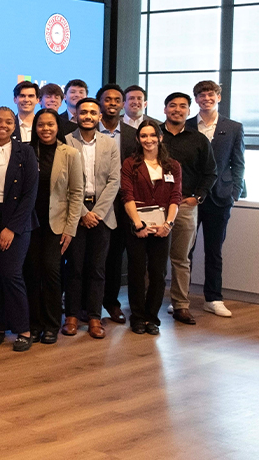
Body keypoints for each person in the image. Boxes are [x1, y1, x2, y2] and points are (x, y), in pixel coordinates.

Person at [24, 108, 84, 344]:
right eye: (41, 125)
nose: (45, 129)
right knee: (31, 272)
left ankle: (51, 324)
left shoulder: (69, 153)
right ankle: (33, 324)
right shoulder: (27, 152)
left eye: (50, 124)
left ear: (58, 127)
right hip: (28, 224)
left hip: (55, 224)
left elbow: (76, 192)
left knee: (51, 272)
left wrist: (70, 228)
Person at [63, 97, 121, 339]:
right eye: (83, 112)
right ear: (75, 116)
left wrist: (96, 213)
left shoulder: (110, 144)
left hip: (102, 215)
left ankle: (95, 318)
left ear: (99, 117)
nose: (87, 116)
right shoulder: (65, 141)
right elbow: (64, 181)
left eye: (92, 112)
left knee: (97, 268)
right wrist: (83, 213)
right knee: (74, 268)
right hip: (75, 213)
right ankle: (72, 316)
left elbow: (114, 181)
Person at [186, 80, 245, 318]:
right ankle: (181, 298)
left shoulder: (233, 127)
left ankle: (213, 298)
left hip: (220, 197)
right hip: (190, 197)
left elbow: (238, 162)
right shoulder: (187, 125)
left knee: (214, 250)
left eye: (210, 95)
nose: (206, 99)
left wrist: (234, 192)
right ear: (196, 100)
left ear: (218, 97)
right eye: (201, 95)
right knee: (184, 251)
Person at [0, 107, 38, 352]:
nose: (2, 125)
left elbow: (29, 195)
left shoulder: (25, 152)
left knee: (11, 274)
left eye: (8, 122)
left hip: (16, 220)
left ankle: (23, 330)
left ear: (14, 126)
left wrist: (11, 228)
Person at [161, 92, 217, 325]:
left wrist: (198, 197)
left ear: (188, 110)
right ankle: (145, 305)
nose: (177, 110)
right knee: (150, 258)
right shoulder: (153, 134)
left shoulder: (198, 139)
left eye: (182, 106)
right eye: (172, 106)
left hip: (185, 205)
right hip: (155, 206)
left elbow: (210, 173)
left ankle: (181, 305)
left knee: (181, 258)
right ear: (164, 109)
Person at [120, 120, 181, 335]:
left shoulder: (172, 165)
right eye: (143, 136)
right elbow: (127, 195)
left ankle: (152, 318)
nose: (148, 140)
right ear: (138, 139)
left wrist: (169, 224)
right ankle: (137, 317)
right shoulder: (130, 164)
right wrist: (137, 224)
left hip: (163, 227)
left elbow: (175, 197)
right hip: (138, 225)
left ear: (160, 137)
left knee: (158, 273)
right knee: (136, 272)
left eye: (152, 135)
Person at [97, 83, 139, 325]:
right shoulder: (87, 130)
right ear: (100, 103)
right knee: (91, 255)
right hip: (93, 203)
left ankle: (111, 302)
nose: (112, 103)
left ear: (123, 105)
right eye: (107, 99)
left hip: (123, 204)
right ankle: (86, 305)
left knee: (115, 255)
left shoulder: (134, 136)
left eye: (117, 100)